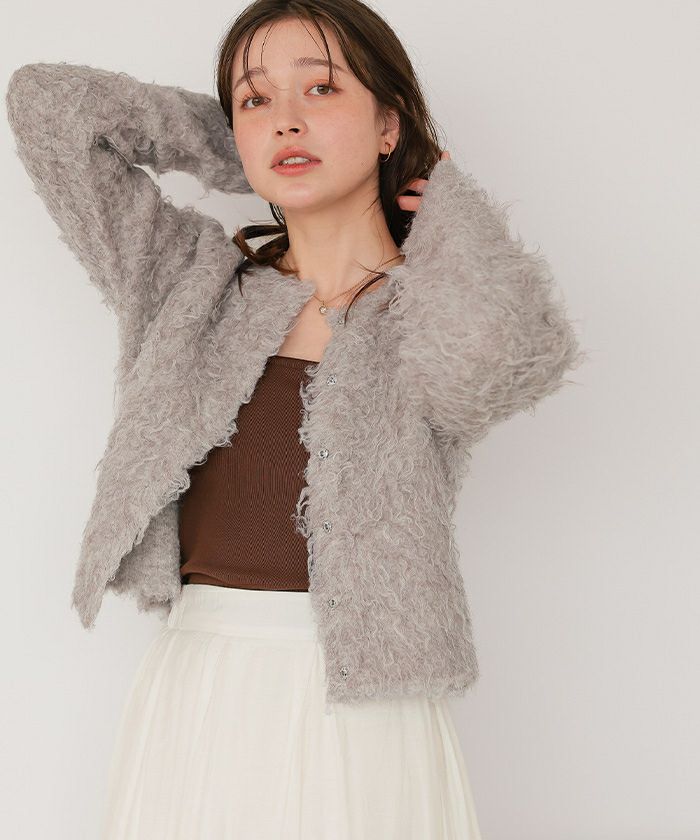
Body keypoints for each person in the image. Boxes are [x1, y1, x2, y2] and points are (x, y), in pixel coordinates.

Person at [5, 1, 585, 838]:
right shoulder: (187, 283)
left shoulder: (429, 311)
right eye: (256, 98)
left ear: (389, 124)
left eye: (322, 88)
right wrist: (250, 146)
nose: (286, 118)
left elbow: (509, 359)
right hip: (201, 692)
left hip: (364, 705)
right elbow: (47, 107)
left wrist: (452, 207)